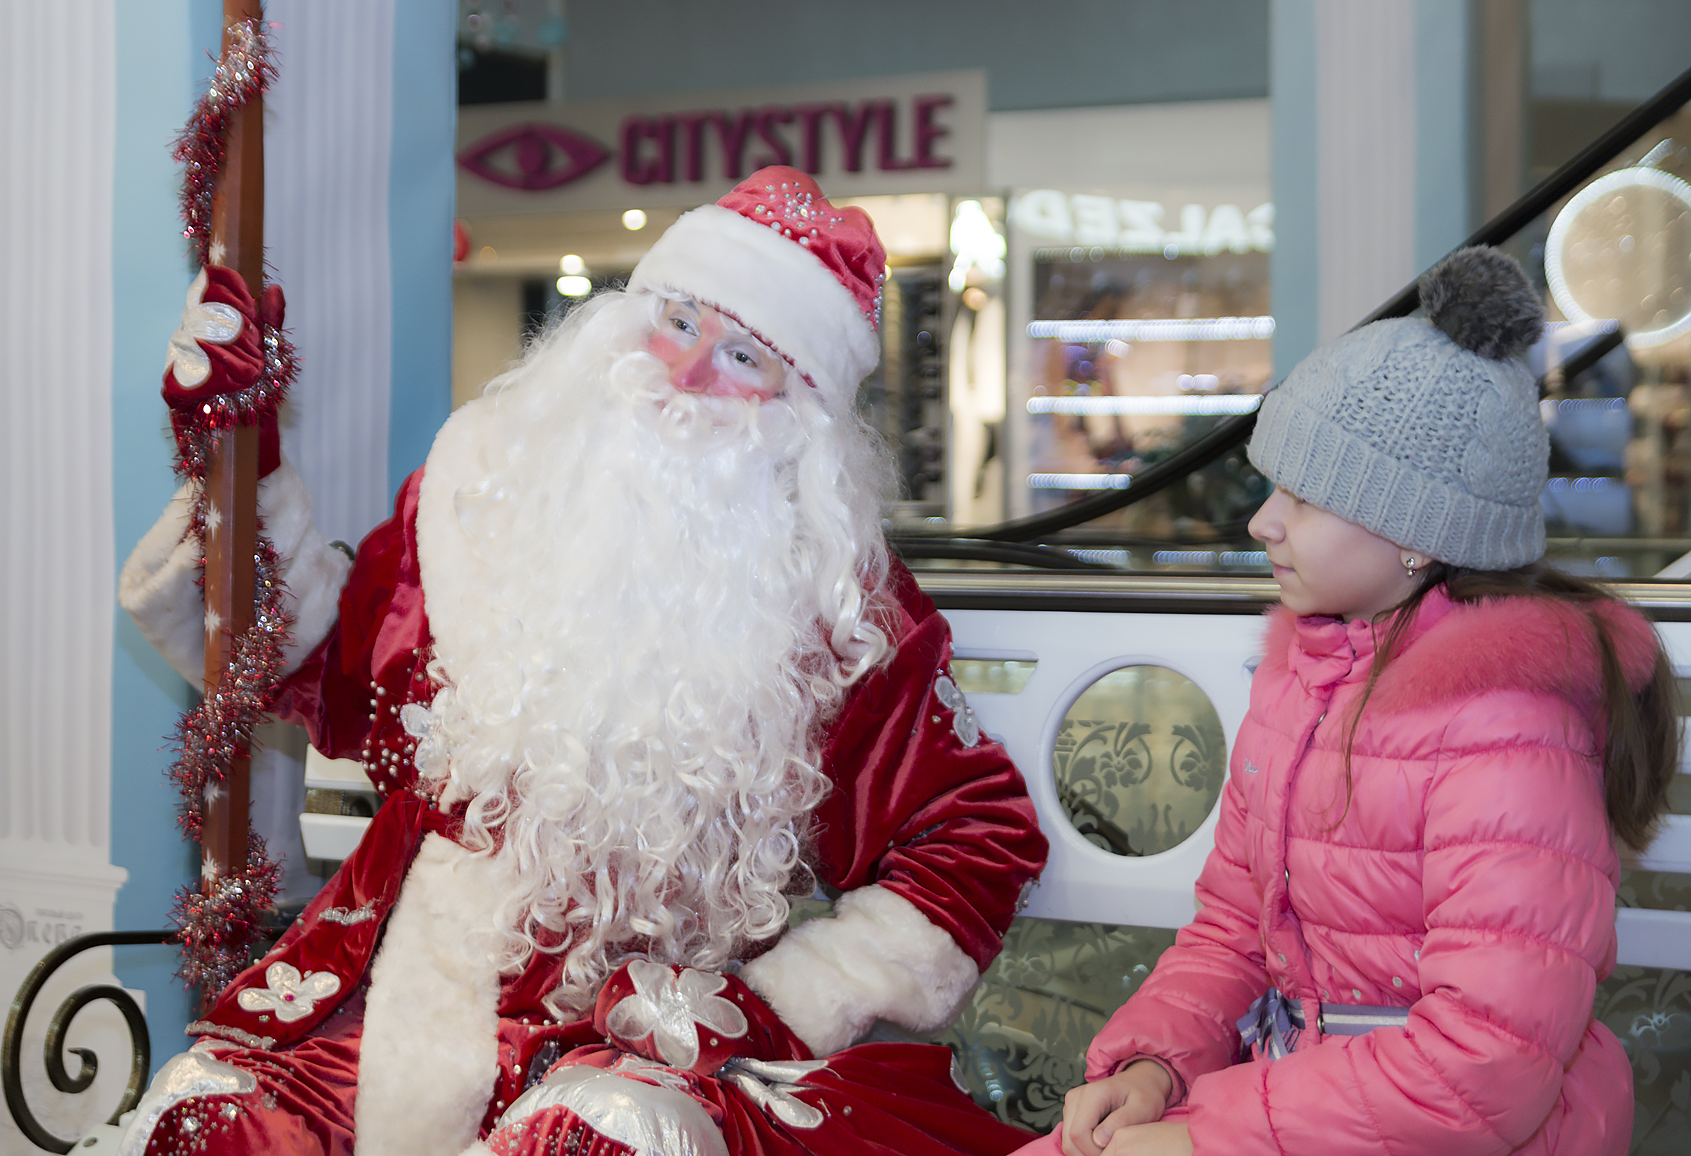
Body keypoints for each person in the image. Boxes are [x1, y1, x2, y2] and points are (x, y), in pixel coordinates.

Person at [115, 166, 1049, 1156]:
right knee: (205, 1124)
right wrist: (236, 442)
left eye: (741, 352)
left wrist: (779, 1001)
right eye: (678, 319)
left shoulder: (832, 606)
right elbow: (334, 673)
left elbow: (971, 832)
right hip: (387, 992)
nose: (686, 372)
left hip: (621, 1033)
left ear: (798, 415)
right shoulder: (481, 490)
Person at [1014, 245, 1679, 1156]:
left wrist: (1203, 1134)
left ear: (1417, 534)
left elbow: (1482, 1070)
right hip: (1296, 1096)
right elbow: (1232, 936)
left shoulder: (1509, 728)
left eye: (1306, 494)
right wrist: (1152, 1069)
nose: (1262, 521)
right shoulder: (1306, 676)